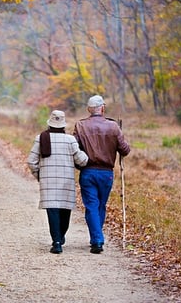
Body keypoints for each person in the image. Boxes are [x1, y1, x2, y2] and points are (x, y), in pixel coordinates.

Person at [73, 95, 131, 254]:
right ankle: (97, 239)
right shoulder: (113, 127)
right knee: (100, 205)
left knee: (91, 206)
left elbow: (73, 148)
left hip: (88, 171)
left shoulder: (80, 126)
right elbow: (125, 150)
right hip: (106, 174)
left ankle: (96, 239)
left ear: (88, 109)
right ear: (103, 108)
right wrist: (119, 136)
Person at [27, 110, 88, 254]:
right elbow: (82, 160)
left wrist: (39, 175)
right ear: (63, 125)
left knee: (52, 211)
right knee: (65, 211)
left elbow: (31, 161)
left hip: (48, 182)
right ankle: (60, 237)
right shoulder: (70, 140)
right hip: (66, 181)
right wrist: (86, 153)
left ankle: (57, 241)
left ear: (49, 123)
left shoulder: (40, 138)